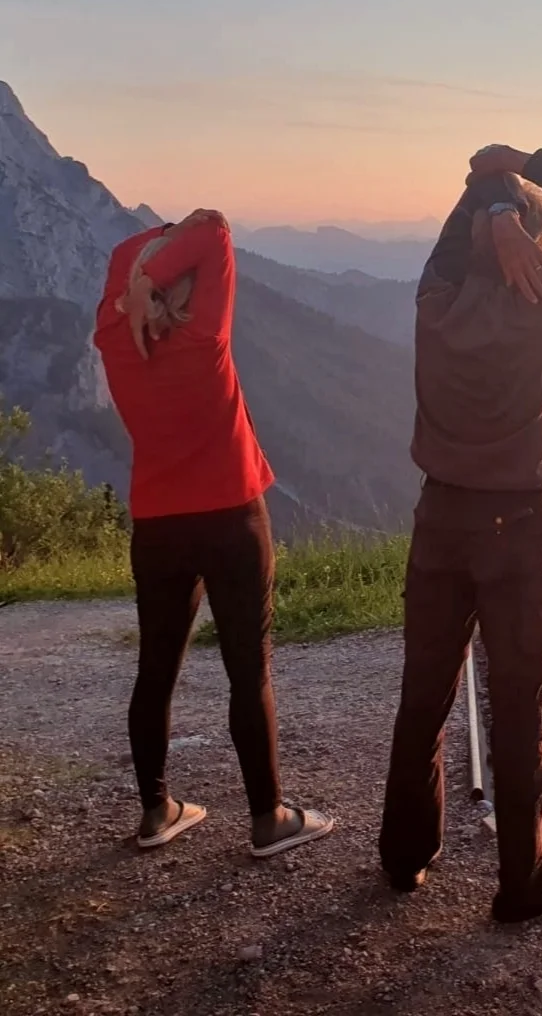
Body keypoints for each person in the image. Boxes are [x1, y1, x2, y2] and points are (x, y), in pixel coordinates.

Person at [379, 144, 542, 923]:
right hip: (514, 527)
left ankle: (404, 857)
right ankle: (522, 883)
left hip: (438, 519)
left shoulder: (435, 294)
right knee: (516, 709)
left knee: (424, 693)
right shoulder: (539, 295)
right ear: (533, 242)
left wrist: (492, 202)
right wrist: (525, 164)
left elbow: (467, 214)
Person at [94, 209, 334, 858]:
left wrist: (136, 278)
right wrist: (166, 259)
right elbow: (216, 233)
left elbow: (127, 256)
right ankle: (268, 819)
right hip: (232, 517)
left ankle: (156, 812)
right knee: (247, 671)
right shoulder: (204, 333)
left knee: (155, 669)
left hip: (157, 524)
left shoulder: (113, 338)